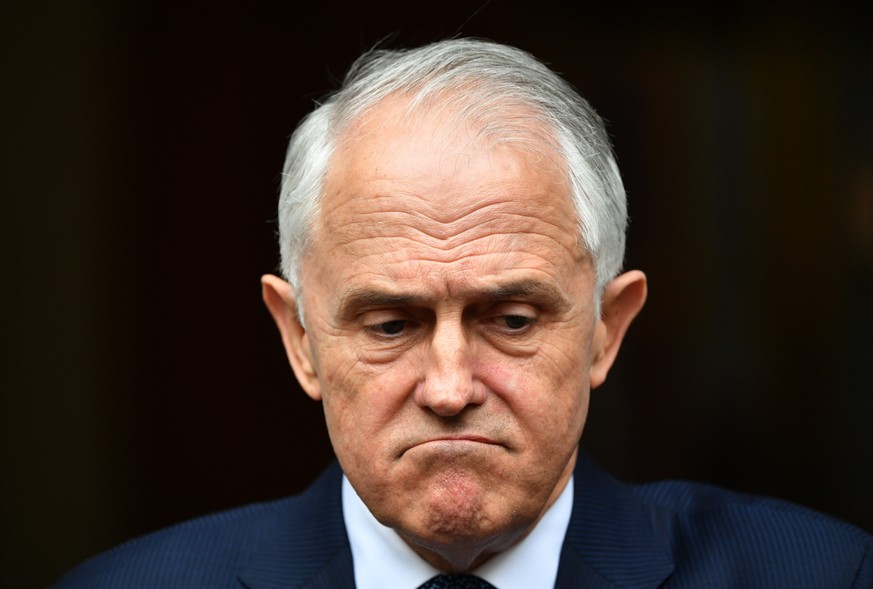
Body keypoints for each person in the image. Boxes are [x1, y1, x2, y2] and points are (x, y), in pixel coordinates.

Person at [55, 38, 871, 589]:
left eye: (511, 320)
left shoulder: (823, 575)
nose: (448, 387)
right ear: (299, 337)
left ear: (605, 328)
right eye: (389, 324)